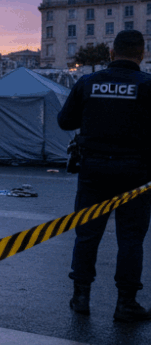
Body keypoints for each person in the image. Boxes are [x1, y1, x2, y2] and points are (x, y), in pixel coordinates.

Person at [58, 30, 151, 322]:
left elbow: (65, 121)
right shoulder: (148, 85)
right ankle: (126, 302)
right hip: (136, 173)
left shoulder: (88, 82)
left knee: (86, 234)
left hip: (93, 169)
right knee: (131, 239)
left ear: (111, 53)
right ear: (142, 54)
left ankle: (81, 297)